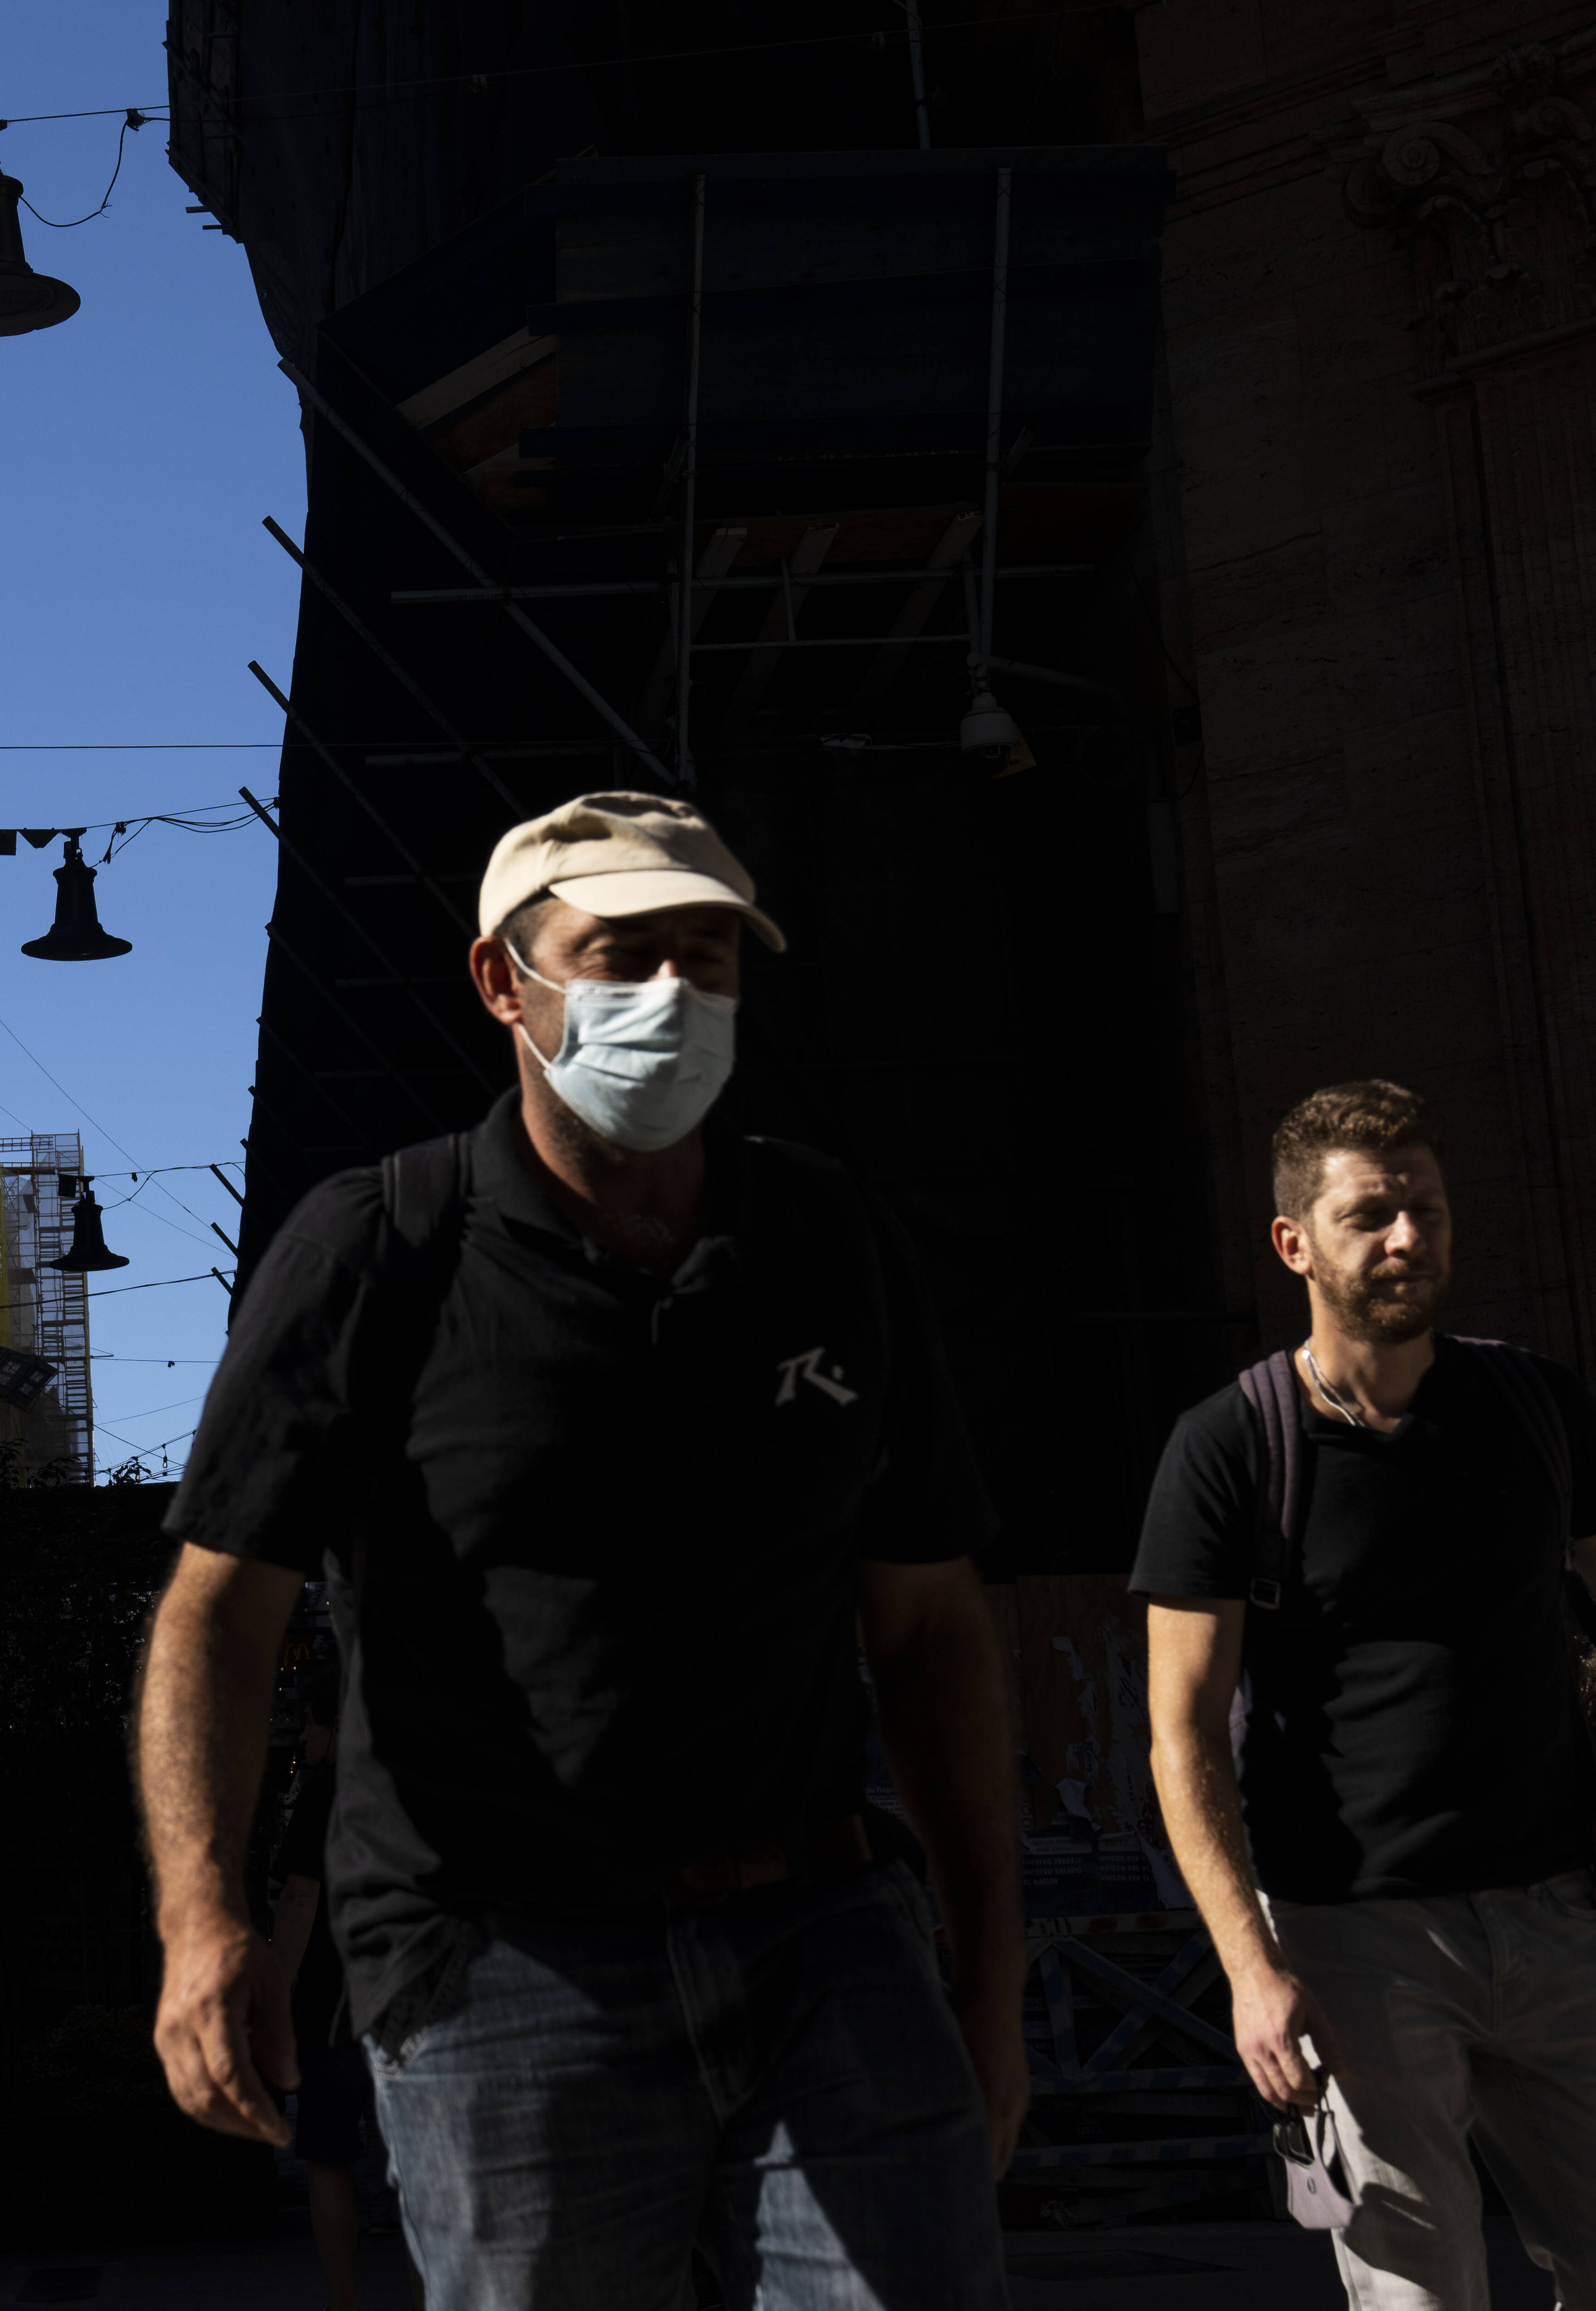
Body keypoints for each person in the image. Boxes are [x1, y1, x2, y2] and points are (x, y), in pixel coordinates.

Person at [140, 791, 1023, 2311]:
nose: (675, 996)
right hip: (504, 1974)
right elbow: (218, 1618)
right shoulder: (378, 1251)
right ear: (506, 983)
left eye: (712, 958)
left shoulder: (827, 1245)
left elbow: (933, 1625)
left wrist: (993, 1981)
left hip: (823, 1940)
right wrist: (203, 1920)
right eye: (623, 955)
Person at [1131, 1078, 1596, 2310]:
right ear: (1293, 1244)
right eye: (1373, 1216)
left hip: (1560, 1916)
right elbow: (1181, 1737)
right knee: (1420, 2297)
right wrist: (1249, 1967)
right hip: (1356, 1943)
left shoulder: (1531, 1405)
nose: (1410, 1240)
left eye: (1429, 1212)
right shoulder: (1232, 1446)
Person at [265, 1637, 408, 2311]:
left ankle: (346, 2303)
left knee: (327, 2158)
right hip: (408, 1996)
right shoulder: (400, 1782)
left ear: (331, 1722)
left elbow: (300, 1897)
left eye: (309, 1723)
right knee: (414, 2163)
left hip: (332, 2004)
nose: (305, 1737)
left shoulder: (325, 1792)